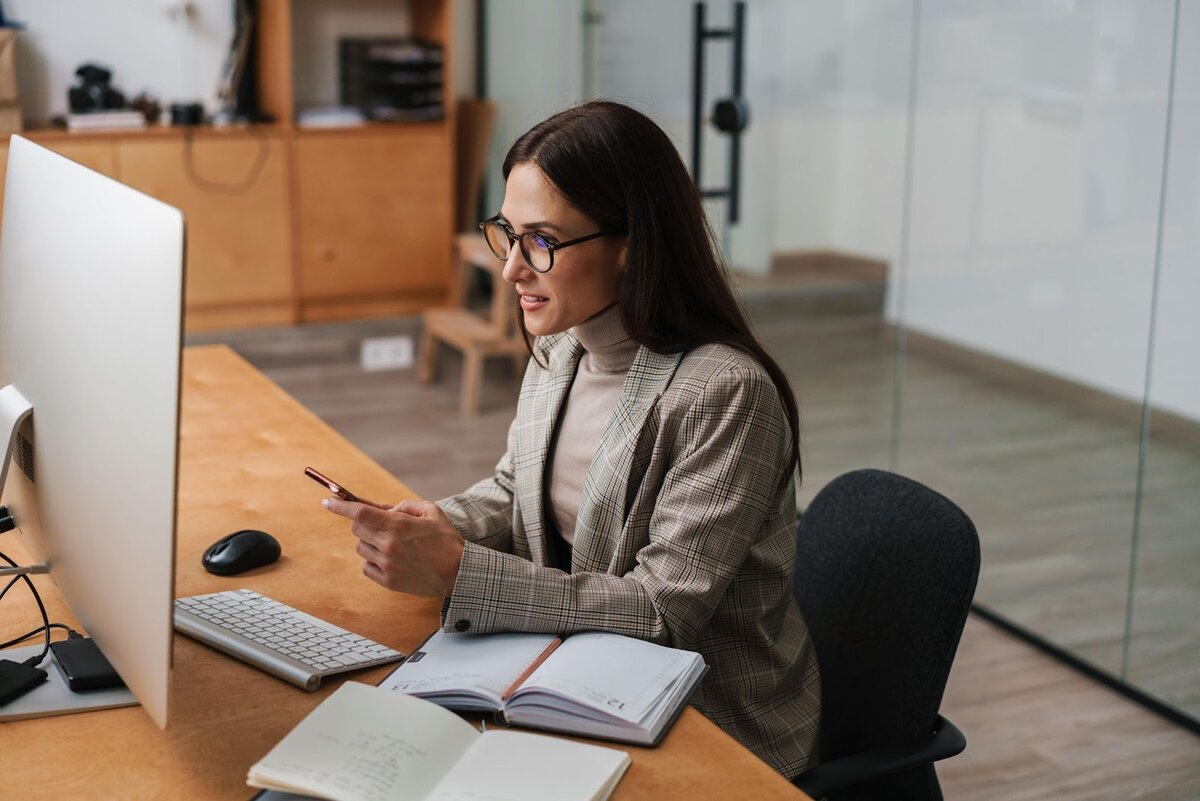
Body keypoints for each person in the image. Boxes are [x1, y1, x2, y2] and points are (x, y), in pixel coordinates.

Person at [322, 100, 820, 778]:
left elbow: (661, 612)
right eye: (508, 233)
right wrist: (438, 523)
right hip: (582, 679)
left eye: (542, 241)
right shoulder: (562, 346)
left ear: (631, 246)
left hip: (717, 728)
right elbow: (514, 486)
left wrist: (459, 570)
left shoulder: (726, 393)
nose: (511, 270)